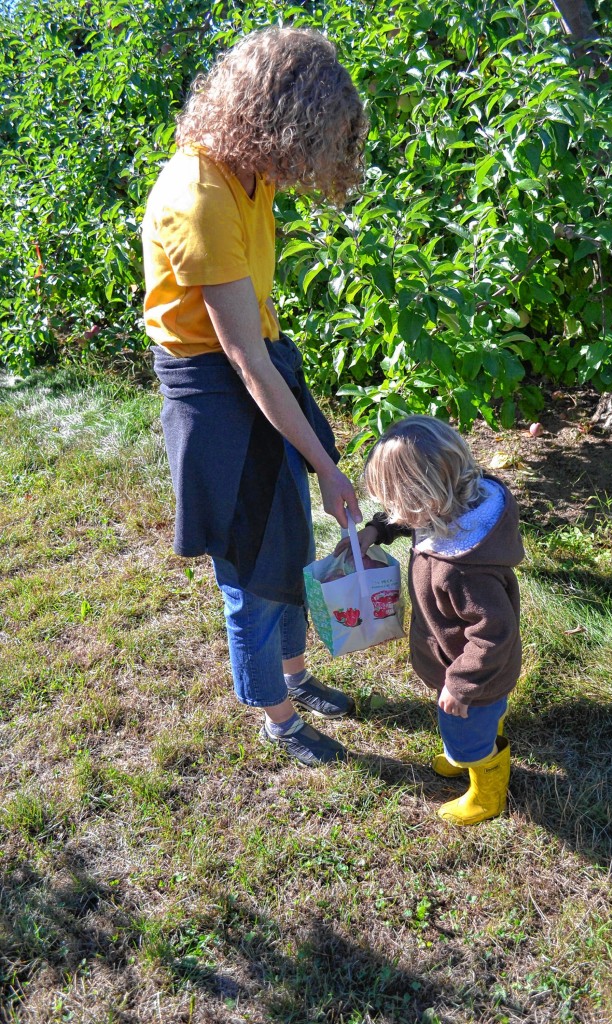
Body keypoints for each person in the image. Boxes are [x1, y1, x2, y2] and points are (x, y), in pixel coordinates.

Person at [141, 27, 368, 766]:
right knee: (248, 566)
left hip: (257, 368)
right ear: (278, 119)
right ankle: (277, 718)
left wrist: (314, 462)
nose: (308, 163)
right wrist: (329, 469)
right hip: (215, 391)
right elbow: (240, 361)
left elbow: (256, 346)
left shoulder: (250, 170)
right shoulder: (197, 195)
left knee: (291, 541)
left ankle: (294, 678)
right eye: (313, 140)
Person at [339, 416, 524, 823]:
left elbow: (495, 633)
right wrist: (376, 530)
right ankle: (473, 746)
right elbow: (411, 521)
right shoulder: (462, 508)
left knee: (466, 733)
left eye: (395, 505)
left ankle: (486, 788)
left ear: (426, 501)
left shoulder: (462, 569)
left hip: (474, 676)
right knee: (476, 724)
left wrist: (459, 686)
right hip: (457, 660)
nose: (392, 513)